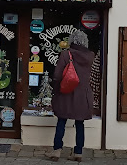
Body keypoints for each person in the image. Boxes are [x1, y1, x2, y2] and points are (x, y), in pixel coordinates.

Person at [46, 30, 94, 162]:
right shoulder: (90, 56)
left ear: (71, 40)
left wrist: (56, 90)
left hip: (66, 92)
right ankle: (78, 152)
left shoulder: (66, 54)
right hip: (83, 94)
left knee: (61, 120)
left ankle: (56, 151)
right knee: (80, 123)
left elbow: (57, 75)